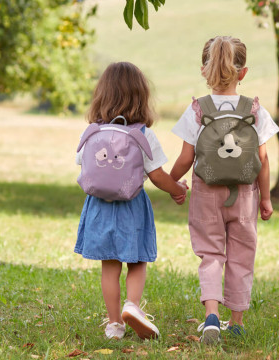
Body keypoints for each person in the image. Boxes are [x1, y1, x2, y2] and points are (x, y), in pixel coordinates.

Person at [170, 36, 279, 344]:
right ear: (243, 73)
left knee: (210, 253)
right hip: (245, 194)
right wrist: (266, 198)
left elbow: (185, 158)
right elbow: (263, 159)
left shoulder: (197, 110)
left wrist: (172, 182)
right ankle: (237, 321)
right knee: (242, 254)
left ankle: (211, 316)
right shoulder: (255, 111)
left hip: (206, 192)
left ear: (203, 71)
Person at [74, 62, 187, 341]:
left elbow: (82, 165)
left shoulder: (91, 132)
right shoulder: (142, 134)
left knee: (109, 265)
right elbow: (158, 175)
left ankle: (114, 324)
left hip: (99, 207)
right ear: (141, 97)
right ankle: (132, 306)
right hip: (132, 207)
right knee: (136, 261)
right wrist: (176, 189)